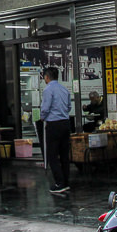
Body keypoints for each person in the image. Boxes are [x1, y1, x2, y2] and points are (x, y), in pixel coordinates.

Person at [40, 66, 72, 194]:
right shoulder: (64, 89)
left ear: (46, 77)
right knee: (64, 154)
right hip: (65, 123)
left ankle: (59, 183)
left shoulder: (48, 90)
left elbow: (45, 108)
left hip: (53, 124)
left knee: (52, 155)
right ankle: (66, 181)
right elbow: (69, 106)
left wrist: (42, 118)